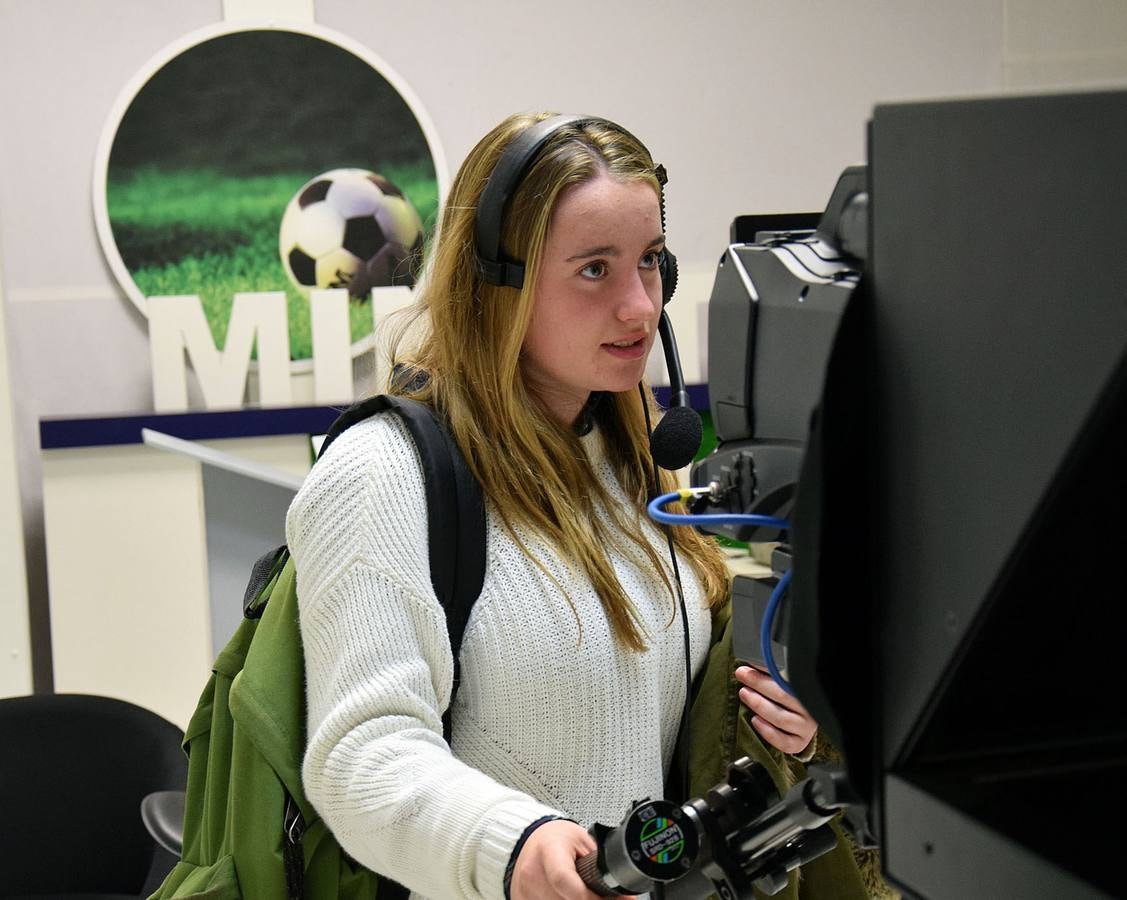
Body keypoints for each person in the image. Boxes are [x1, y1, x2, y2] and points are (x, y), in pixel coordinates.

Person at [286, 112, 819, 900]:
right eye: (594, 269)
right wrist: (512, 844)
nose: (641, 307)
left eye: (651, 262)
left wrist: (786, 725)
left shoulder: (627, 458)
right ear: (495, 285)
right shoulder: (382, 474)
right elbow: (360, 757)